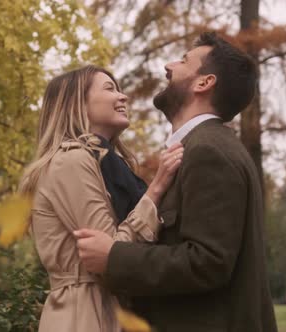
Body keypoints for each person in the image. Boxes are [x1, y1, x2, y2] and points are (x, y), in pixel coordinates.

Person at [75, 32, 278, 332]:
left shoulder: (209, 151)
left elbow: (208, 261)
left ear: (203, 83)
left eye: (183, 60)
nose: (168, 66)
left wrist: (115, 258)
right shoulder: (199, 148)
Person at [18, 65, 184, 332]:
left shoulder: (106, 165)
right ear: (77, 103)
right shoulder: (71, 161)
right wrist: (156, 189)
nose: (123, 97)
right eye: (109, 88)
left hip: (106, 309)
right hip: (84, 315)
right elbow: (111, 257)